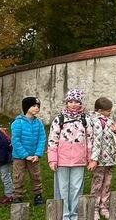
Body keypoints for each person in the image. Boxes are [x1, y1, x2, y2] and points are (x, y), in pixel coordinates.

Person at [48, 88, 92, 220]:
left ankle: (75, 214)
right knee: (62, 188)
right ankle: (64, 215)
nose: (73, 104)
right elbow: (52, 140)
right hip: (62, 160)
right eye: (71, 101)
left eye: (76, 101)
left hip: (79, 159)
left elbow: (90, 139)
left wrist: (90, 159)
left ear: (80, 103)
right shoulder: (59, 119)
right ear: (67, 102)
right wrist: (52, 160)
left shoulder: (85, 119)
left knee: (76, 188)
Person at [89, 97, 116, 219]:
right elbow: (96, 141)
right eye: (108, 111)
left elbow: (115, 138)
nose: (110, 112)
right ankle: (94, 207)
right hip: (99, 161)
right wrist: (94, 159)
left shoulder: (110, 121)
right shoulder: (94, 121)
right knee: (97, 183)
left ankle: (104, 206)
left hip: (110, 159)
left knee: (107, 183)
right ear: (99, 110)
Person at [11, 97, 45, 205]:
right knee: (18, 176)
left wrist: (37, 154)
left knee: (36, 175)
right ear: (26, 107)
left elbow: (42, 138)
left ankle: (38, 195)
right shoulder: (17, 123)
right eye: (34, 106)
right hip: (19, 156)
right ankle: (17, 196)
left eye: (38, 106)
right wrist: (25, 155)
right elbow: (15, 141)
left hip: (34, 156)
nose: (36, 108)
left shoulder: (38, 123)